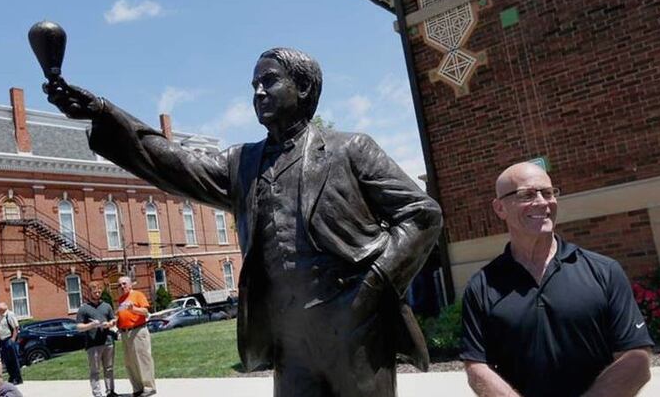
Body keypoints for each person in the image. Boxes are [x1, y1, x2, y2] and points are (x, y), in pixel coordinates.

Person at [43, 47, 442, 397]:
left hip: (355, 333)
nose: (258, 92)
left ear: (303, 88)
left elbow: (421, 215)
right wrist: (103, 113)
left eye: (269, 81)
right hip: (291, 342)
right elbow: (175, 162)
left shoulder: (349, 151)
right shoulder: (244, 164)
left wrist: (371, 287)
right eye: (254, 84)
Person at [461, 162, 654, 397]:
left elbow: (637, 360)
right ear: (500, 208)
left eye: (548, 192)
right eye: (527, 194)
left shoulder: (604, 271)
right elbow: (477, 367)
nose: (543, 202)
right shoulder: (482, 286)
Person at [76, 280, 118, 397]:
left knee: (109, 368)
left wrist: (110, 324)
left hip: (108, 342)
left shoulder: (106, 306)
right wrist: (91, 325)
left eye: (99, 290)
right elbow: (79, 327)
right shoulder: (84, 309)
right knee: (95, 371)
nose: (97, 292)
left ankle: (110, 391)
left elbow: (114, 320)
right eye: (94, 290)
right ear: (89, 292)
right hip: (93, 345)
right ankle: (97, 394)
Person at [114, 276, 155, 397]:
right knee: (130, 362)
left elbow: (145, 312)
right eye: (119, 285)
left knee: (143, 359)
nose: (122, 287)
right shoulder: (121, 299)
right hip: (125, 333)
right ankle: (137, 388)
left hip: (138, 331)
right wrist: (114, 322)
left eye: (124, 284)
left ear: (130, 284)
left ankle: (149, 387)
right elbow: (121, 315)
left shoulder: (138, 295)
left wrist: (134, 308)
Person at [0, 303, 22, 385]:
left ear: (1, 309)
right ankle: (12, 376)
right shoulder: (1, 316)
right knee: (7, 360)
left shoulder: (9, 315)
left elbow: (16, 327)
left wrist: (13, 339)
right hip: (3, 341)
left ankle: (17, 378)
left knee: (13, 359)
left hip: (9, 339)